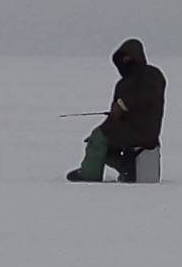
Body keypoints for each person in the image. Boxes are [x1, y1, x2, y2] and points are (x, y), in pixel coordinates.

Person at [67, 38, 167, 182]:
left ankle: (89, 175)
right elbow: (116, 115)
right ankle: (129, 170)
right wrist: (104, 129)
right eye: (123, 58)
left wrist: (122, 106)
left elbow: (147, 95)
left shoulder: (151, 75)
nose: (126, 61)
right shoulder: (123, 83)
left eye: (128, 57)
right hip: (130, 129)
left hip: (143, 131)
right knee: (101, 144)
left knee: (99, 138)